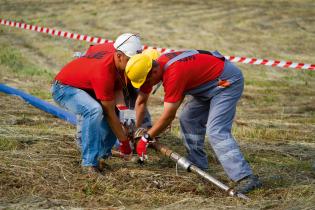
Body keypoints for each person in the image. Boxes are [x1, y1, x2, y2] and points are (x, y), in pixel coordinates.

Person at [125, 49, 262, 194]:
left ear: (153, 72)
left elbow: (168, 115)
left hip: (226, 83)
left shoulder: (173, 73)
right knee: (188, 118)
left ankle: (245, 176)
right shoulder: (150, 67)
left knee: (216, 130)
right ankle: (198, 164)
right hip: (207, 84)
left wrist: (146, 138)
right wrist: (136, 130)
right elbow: (140, 103)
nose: (147, 85)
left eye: (147, 81)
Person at [51, 33, 142, 175]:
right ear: (119, 56)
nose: (133, 64)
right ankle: (89, 163)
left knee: (117, 116)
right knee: (94, 110)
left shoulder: (115, 51)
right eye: (131, 60)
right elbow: (109, 114)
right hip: (64, 88)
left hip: (87, 85)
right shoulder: (103, 72)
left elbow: (117, 87)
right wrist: (124, 144)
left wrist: (125, 116)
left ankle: (101, 156)